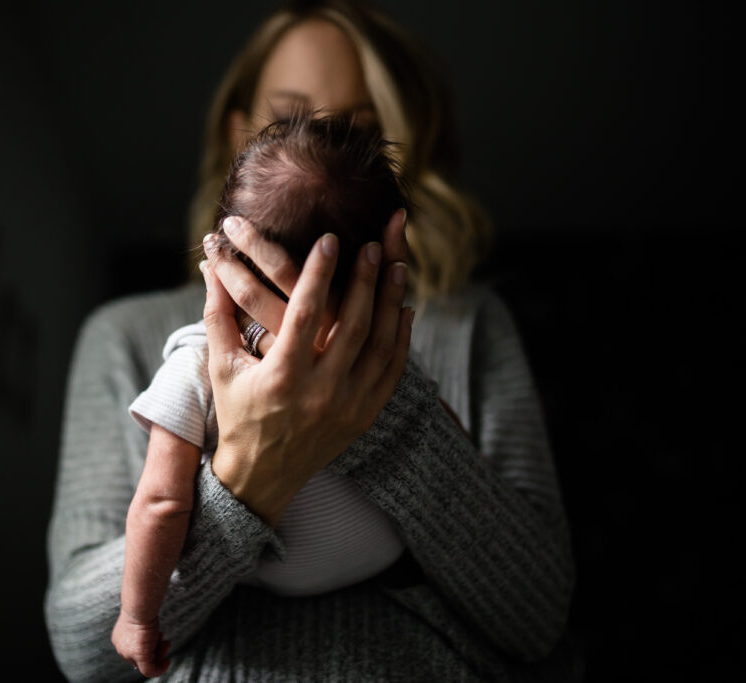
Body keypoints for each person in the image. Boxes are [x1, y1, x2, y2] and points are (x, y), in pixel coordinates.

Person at [45, 1, 576, 681]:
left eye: (353, 131)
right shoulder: (132, 337)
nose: (314, 149)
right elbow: (83, 651)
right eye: (285, 120)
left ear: (393, 164)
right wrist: (245, 481)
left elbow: (537, 619)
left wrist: (383, 412)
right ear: (239, 135)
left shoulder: (468, 326)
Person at [112, 114, 414, 677]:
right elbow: (438, 428)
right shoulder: (383, 350)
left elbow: (161, 504)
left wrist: (137, 616)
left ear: (229, 250)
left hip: (271, 577)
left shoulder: (201, 361)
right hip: (391, 558)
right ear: (380, 261)